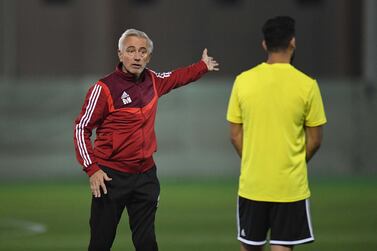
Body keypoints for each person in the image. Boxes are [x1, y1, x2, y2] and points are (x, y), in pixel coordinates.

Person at [73, 28, 219, 251]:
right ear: (120, 54)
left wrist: (202, 66)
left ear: (148, 57)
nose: (137, 56)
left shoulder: (153, 80)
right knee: (100, 243)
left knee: (147, 242)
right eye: (130, 50)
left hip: (145, 176)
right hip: (111, 177)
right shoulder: (103, 89)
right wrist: (92, 169)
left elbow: (176, 77)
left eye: (142, 51)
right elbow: (81, 128)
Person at [226, 16, 326, 251]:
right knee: (282, 247)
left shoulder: (243, 81)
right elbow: (315, 139)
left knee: (250, 247)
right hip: (289, 187)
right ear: (293, 42)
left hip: (254, 184)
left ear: (264, 44)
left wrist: (254, 160)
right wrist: (294, 163)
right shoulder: (307, 85)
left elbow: (234, 134)